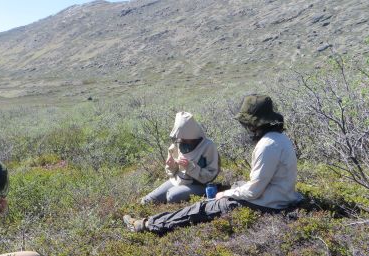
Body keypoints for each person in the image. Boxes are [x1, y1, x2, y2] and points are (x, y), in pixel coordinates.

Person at [124, 95, 303, 235]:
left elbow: (253, 192)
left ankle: (146, 225)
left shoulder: (267, 145)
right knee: (235, 187)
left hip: (269, 203)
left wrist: (224, 194)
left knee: (200, 209)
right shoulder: (279, 139)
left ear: (255, 124)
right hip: (280, 197)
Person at [140, 111, 219, 204]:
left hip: (199, 184)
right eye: (180, 137)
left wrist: (190, 166)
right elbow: (171, 172)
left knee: (172, 196)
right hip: (178, 180)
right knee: (146, 201)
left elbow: (211, 174)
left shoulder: (208, 146)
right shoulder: (177, 144)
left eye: (185, 138)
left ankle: (200, 193)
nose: (181, 140)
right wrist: (171, 165)